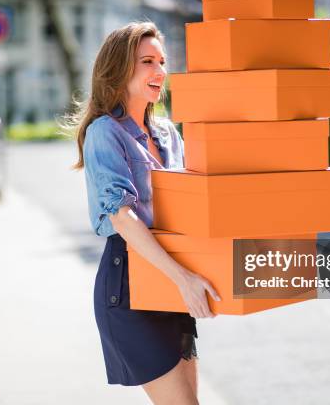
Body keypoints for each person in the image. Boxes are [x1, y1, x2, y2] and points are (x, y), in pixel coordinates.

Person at [67, 21, 221, 404]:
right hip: (130, 288)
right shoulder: (105, 132)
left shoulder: (169, 133)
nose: (160, 72)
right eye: (147, 62)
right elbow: (122, 216)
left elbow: (190, 204)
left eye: (162, 61)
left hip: (170, 281)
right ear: (119, 70)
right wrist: (183, 278)